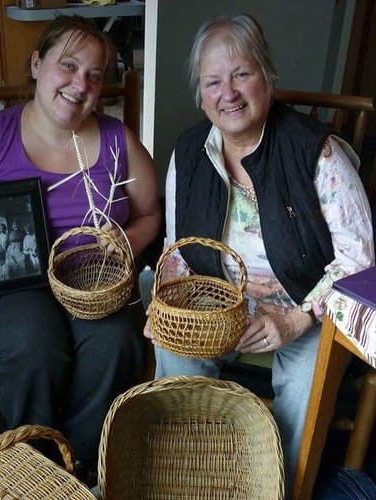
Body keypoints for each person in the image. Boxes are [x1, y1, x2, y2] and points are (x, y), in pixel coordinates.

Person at [143, 14, 374, 496]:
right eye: (213, 81)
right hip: (217, 299)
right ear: (201, 94)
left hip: (306, 303)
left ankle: (276, 483)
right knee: (173, 350)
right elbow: (177, 249)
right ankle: (195, 474)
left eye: (241, 74)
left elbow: (359, 261)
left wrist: (297, 319)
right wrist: (164, 303)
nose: (228, 92)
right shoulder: (188, 154)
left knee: (307, 377)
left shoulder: (319, 153)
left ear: (267, 77)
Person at [0, 15, 160, 483]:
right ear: (37, 64)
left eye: (95, 75)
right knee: (35, 344)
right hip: (8, 286)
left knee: (116, 343)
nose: (80, 84)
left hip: (89, 280)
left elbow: (151, 214)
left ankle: (78, 468)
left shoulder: (118, 141)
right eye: (68, 66)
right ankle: (36, 466)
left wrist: (124, 241)